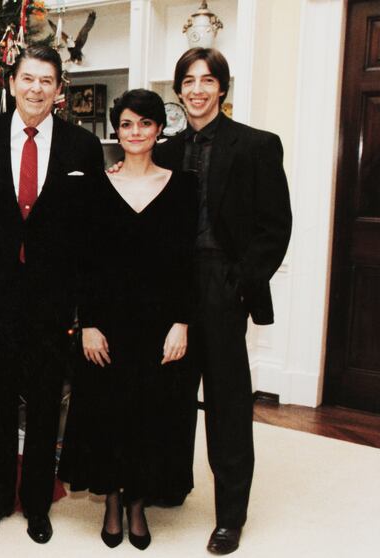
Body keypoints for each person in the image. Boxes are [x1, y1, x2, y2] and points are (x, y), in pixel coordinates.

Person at [0, 45, 105, 544]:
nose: (36, 88)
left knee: (45, 401)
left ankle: (38, 502)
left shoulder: (82, 147)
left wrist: (84, 306)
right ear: (11, 82)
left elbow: (90, 233)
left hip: (51, 298)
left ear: (60, 90)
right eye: (28, 78)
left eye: (47, 80)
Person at [153, 48, 292, 555]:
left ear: (222, 88)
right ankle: (169, 486)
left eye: (207, 80)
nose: (196, 89)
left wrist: (239, 282)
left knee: (227, 405)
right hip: (172, 286)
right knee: (169, 392)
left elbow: (275, 228)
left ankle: (230, 516)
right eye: (188, 81)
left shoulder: (256, 146)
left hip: (223, 284)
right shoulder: (164, 151)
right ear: (178, 89)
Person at [58, 89, 197, 550]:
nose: (135, 133)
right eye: (127, 125)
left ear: (159, 130)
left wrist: (182, 322)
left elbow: (186, 263)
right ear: (115, 131)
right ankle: (113, 502)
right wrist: (89, 324)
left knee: (150, 416)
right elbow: (83, 262)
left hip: (159, 327)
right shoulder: (93, 187)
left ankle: (138, 504)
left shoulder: (184, 186)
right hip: (108, 325)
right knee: (108, 414)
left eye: (145, 124)